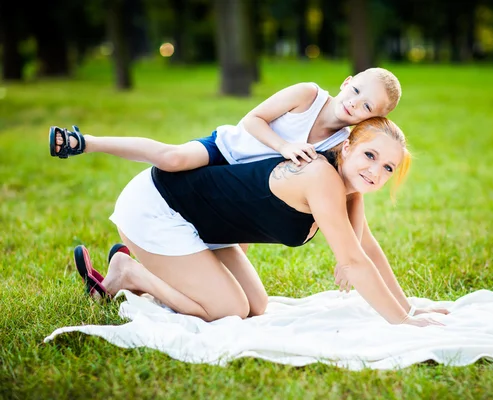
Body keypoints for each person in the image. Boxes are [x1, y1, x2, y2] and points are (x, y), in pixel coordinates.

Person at [71, 117, 446, 327]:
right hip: (160, 206)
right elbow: (351, 261)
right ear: (345, 147)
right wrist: (401, 324)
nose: (375, 170)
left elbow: (367, 249)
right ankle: (130, 272)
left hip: (204, 224)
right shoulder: (319, 176)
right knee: (228, 310)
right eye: (369, 154)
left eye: (388, 167)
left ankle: (137, 273)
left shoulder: (351, 192)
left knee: (256, 306)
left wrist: (408, 309)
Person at [49, 68, 401, 241]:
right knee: (173, 159)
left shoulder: (345, 143)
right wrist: (284, 146)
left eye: (367, 105)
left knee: (236, 233)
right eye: (355, 90)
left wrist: (350, 248)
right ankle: (88, 141)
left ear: (375, 118)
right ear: (346, 81)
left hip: (246, 185)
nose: (355, 102)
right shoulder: (308, 95)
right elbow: (252, 119)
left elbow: (352, 197)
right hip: (227, 149)